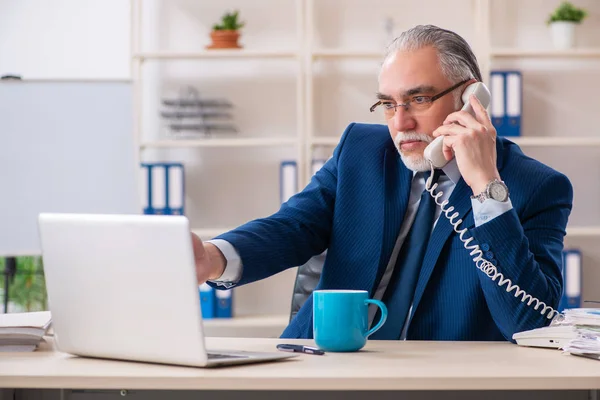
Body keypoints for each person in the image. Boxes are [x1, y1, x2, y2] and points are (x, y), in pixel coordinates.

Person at [191, 25, 573, 341]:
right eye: (388, 104)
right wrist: (211, 258)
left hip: (442, 382)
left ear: (469, 98)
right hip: (327, 364)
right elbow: (293, 226)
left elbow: (530, 324)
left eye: (418, 99)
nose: (400, 122)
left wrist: (486, 187)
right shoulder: (361, 151)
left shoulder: (536, 187)